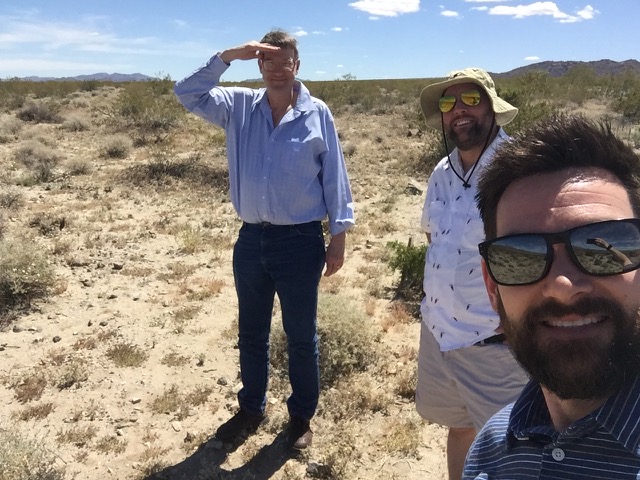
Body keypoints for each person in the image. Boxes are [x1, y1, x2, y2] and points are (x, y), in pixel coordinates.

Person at [173, 29, 354, 450]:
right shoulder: (237, 106)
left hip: (301, 241)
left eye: (284, 61)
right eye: (267, 61)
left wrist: (339, 234)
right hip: (251, 240)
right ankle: (251, 409)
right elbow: (187, 93)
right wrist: (226, 56)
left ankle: (301, 417)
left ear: (297, 65)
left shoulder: (317, 113)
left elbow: (334, 175)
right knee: (251, 332)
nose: (276, 69)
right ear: (258, 65)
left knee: (300, 335)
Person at [464, 114, 640, 478]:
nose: (563, 284)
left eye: (603, 248)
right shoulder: (491, 451)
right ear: (492, 286)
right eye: (520, 256)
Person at [416, 68, 529, 479]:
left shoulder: (518, 172)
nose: (458, 111)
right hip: (440, 332)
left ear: (493, 109)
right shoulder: (442, 173)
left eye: (470, 100)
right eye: (448, 104)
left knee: (511, 449)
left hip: (492, 345)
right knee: (460, 427)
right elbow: (434, 242)